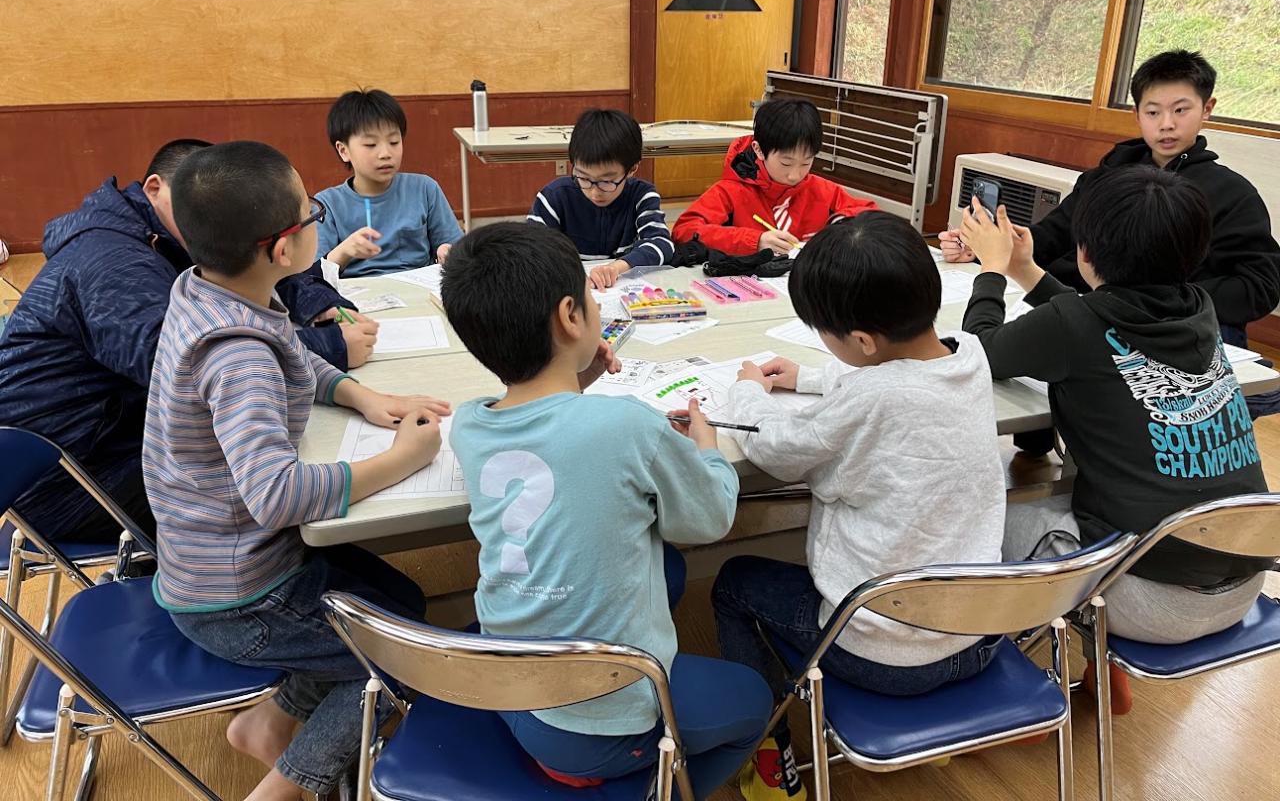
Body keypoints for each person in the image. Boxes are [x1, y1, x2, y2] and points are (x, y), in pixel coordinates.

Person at [146, 141, 451, 801]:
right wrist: (399, 461)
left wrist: (360, 395)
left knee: (404, 603)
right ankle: (283, 789)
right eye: (312, 211)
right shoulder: (238, 358)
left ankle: (270, 721)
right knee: (406, 652)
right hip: (240, 595)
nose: (319, 216)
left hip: (221, 561)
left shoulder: (211, 292)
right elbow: (277, 495)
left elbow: (292, 354)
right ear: (284, 249)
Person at [441, 221, 771, 799]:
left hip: (502, 679)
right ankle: (648, 787)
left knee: (666, 567)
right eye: (593, 301)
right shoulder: (626, 425)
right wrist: (708, 450)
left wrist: (577, 382)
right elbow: (710, 517)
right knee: (754, 704)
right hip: (593, 726)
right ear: (571, 316)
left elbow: (553, 438)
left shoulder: (469, 422)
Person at [711, 212, 1006, 800]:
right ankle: (943, 725)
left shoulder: (872, 394)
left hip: (887, 656)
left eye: (825, 333)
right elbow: (893, 380)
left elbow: (776, 447)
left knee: (732, 583)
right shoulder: (969, 355)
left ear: (864, 341)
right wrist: (809, 377)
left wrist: (747, 389)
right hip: (979, 635)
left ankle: (766, 751)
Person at [959, 166, 1270, 712]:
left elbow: (978, 353)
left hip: (1151, 602)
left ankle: (1000, 687)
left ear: (1084, 252)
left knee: (976, 511)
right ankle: (1101, 668)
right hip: (1246, 581)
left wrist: (991, 271)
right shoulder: (1199, 307)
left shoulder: (1072, 325)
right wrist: (1026, 270)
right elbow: (1095, 318)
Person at [0, 139, 368, 543]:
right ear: (155, 189)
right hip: (63, 476)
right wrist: (332, 348)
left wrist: (320, 305)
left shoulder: (165, 233)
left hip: (109, 439)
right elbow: (191, 362)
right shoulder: (111, 262)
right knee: (283, 475)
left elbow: (266, 258)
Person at [939, 50, 1280, 345]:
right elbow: (1054, 234)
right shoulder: (1109, 173)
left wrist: (1166, 301)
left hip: (1173, 330)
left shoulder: (1232, 194)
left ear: (1207, 109)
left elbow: (1261, 287)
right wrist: (986, 250)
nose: (1166, 124)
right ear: (1137, 114)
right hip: (1088, 313)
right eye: (1153, 112)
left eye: (1180, 110)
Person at [672, 98, 876, 257]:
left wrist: (840, 229)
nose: (795, 175)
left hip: (806, 285)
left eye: (806, 163)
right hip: (747, 287)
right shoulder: (731, 191)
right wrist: (754, 241)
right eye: (786, 163)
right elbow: (684, 230)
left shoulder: (823, 190)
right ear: (759, 150)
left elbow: (872, 218)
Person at [316, 88, 463, 277]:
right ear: (343, 151)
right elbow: (313, 275)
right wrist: (345, 251)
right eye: (370, 145)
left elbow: (458, 250)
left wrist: (447, 251)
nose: (385, 154)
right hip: (356, 292)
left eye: (394, 142)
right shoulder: (327, 205)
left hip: (418, 288)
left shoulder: (424, 189)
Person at [527, 109, 674, 290]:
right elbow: (531, 249)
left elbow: (661, 244)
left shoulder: (641, 196)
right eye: (583, 178)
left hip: (621, 291)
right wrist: (569, 273)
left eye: (607, 181)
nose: (594, 192)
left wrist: (616, 267)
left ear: (632, 169)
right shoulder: (554, 196)